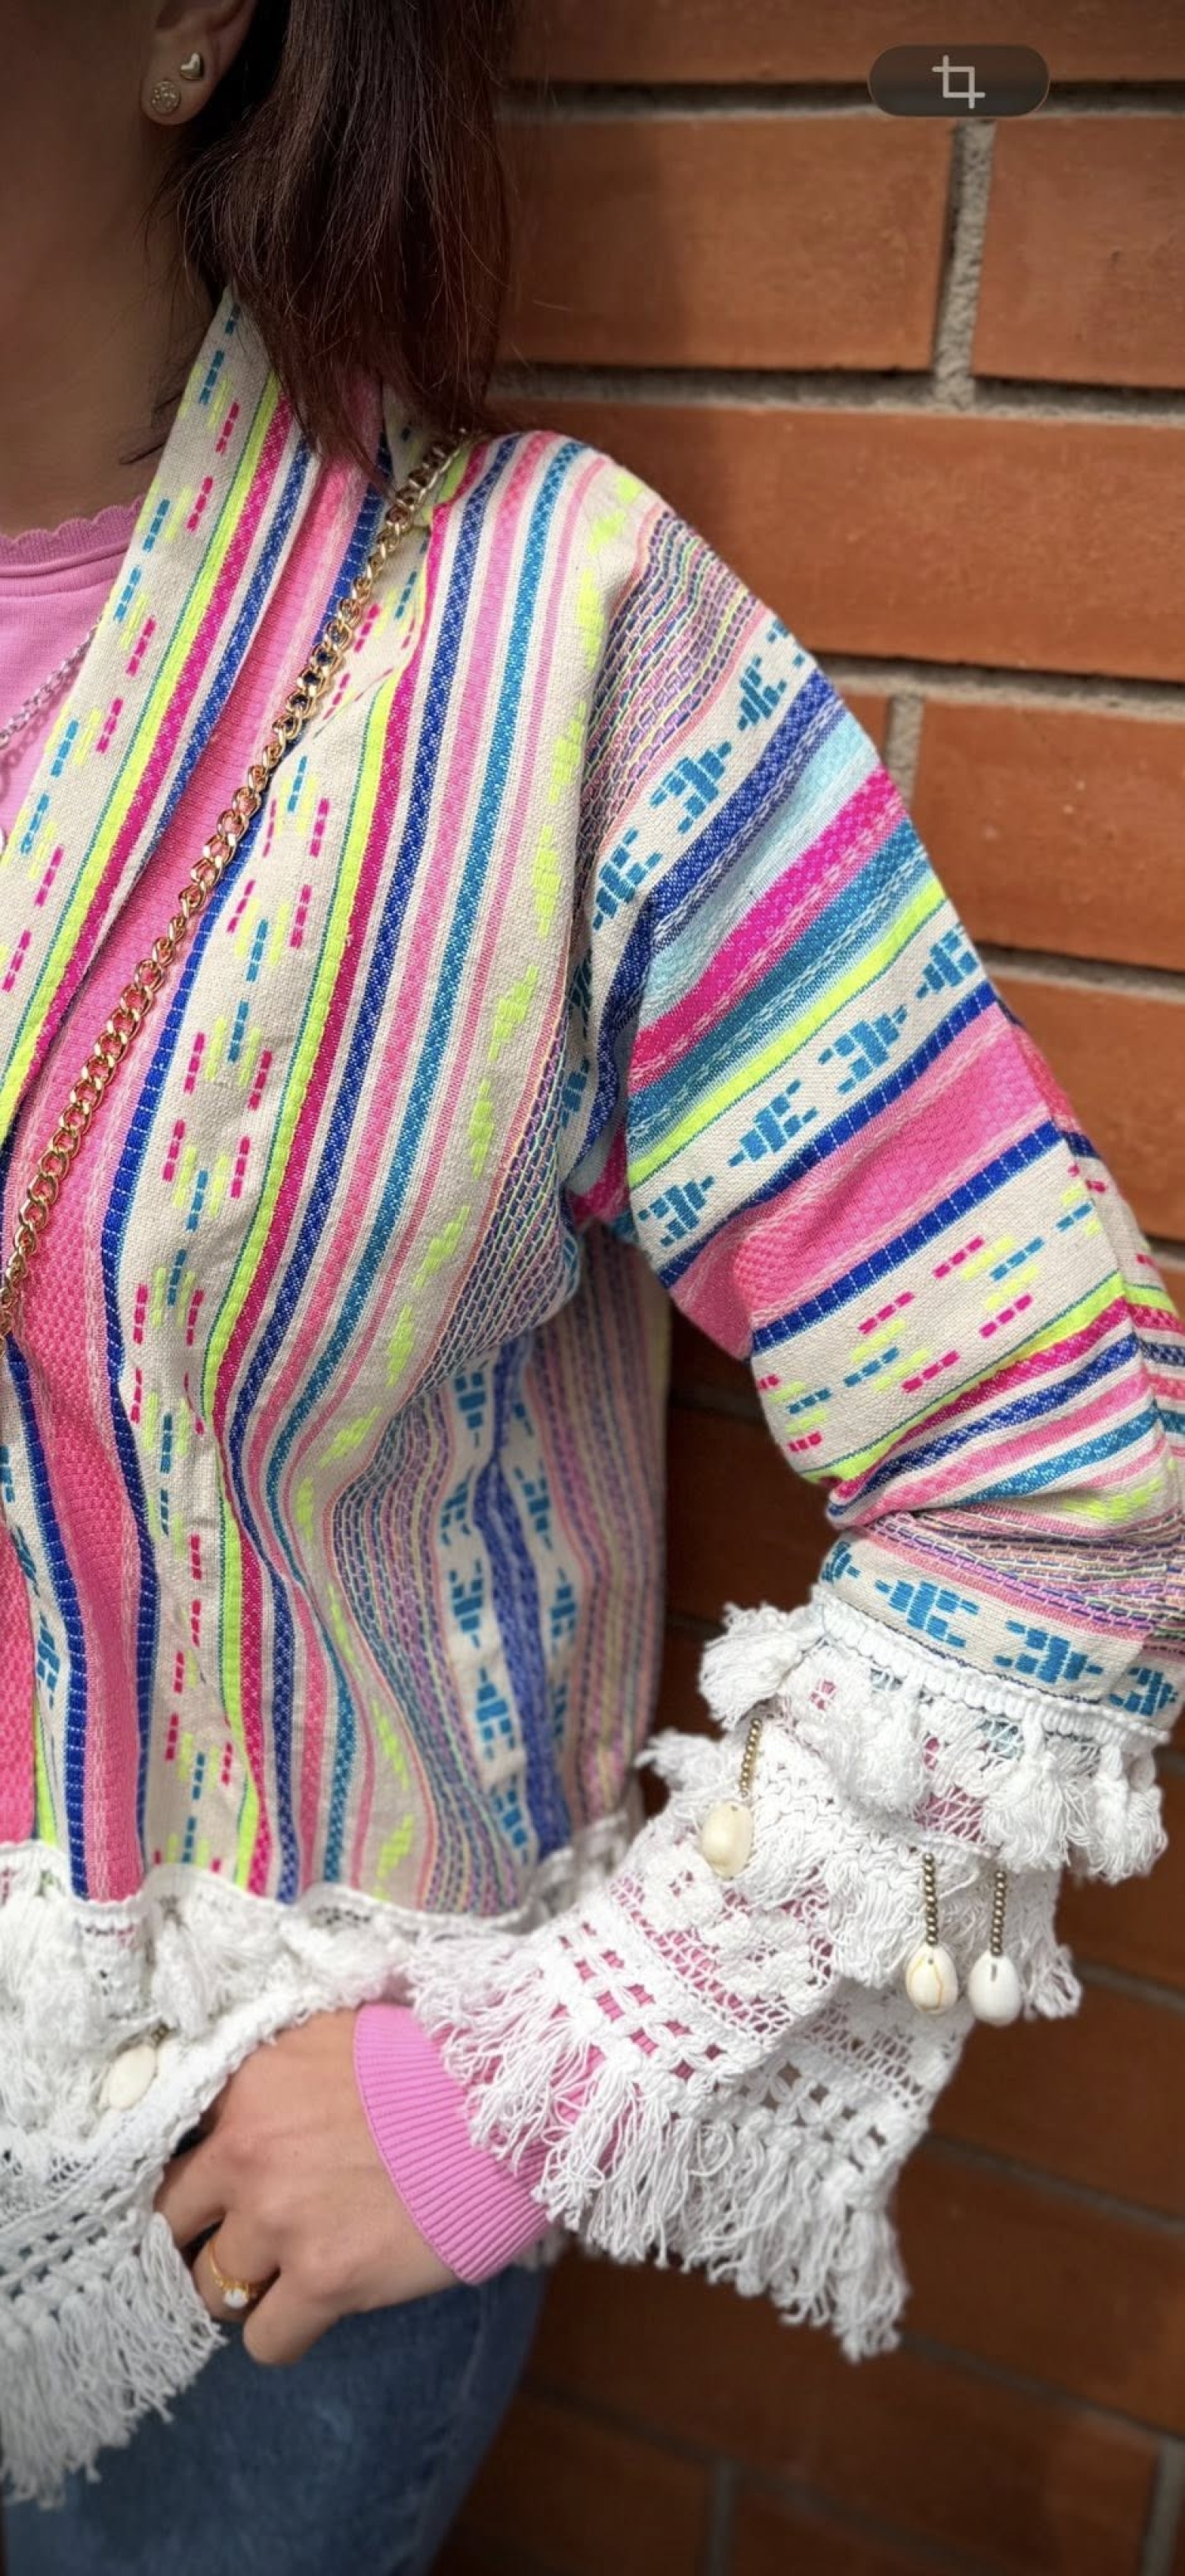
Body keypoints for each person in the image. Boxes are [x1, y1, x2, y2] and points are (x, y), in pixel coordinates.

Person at [0, 2, 1180, 2569]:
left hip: (199, 2232)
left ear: (183, 22)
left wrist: (511, 2093)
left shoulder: (543, 646)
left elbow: (1059, 1479)